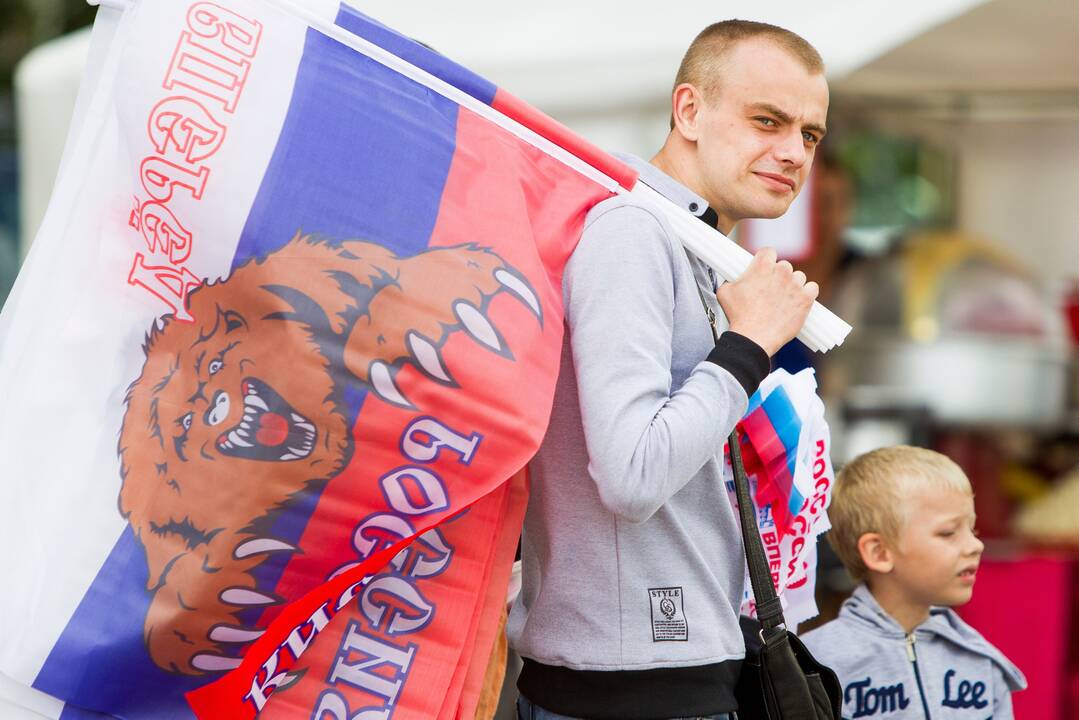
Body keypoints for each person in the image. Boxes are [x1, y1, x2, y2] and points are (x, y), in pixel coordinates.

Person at [506, 20, 829, 719]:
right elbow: (631, 472)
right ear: (688, 110)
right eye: (765, 120)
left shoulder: (691, 240)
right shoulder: (631, 231)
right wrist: (746, 346)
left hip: (670, 662)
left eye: (808, 134)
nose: (790, 152)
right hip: (628, 680)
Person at [800, 446, 1027, 718]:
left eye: (973, 529)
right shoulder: (816, 664)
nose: (975, 545)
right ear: (879, 553)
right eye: (948, 532)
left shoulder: (981, 661)